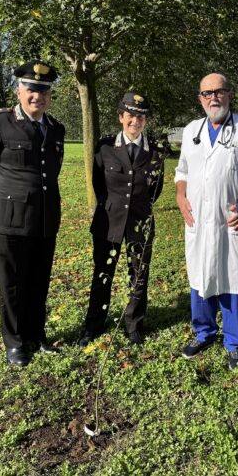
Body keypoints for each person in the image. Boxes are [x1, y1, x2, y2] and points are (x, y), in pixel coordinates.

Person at [0, 60, 65, 367]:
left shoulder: (55, 128)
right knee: (12, 283)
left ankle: (36, 335)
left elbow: (51, 171)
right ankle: (15, 342)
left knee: (39, 280)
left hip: (45, 217)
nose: (38, 96)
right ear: (19, 90)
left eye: (44, 91)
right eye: (32, 89)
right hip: (9, 218)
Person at [175, 73, 238, 369]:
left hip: (233, 221)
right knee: (200, 276)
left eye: (219, 91)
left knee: (234, 278)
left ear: (229, 94)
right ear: (200, 98)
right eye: (207, 93)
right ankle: (203, 332)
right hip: (199, 221)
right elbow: (182, 170)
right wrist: (180, 196)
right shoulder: (192, 130)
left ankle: (235, 341)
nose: (213, 97)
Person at [78, 92, 167, 347]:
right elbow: (98, 183)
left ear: (145, 121)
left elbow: (155, 189)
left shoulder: (156, 151)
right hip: (109, 220)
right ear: (121, 117)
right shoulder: (105, 147)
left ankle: (134, 326)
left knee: (139, 276)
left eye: (140, 117)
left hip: (140, 222)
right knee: (102, 274)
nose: (135, 121)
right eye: (130, 116)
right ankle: (93, 325)